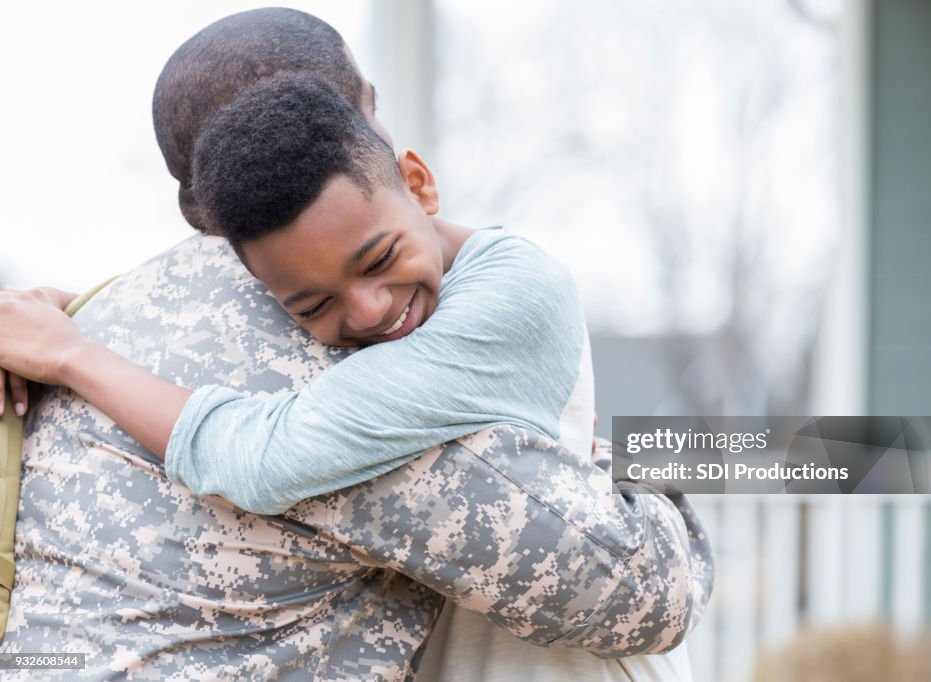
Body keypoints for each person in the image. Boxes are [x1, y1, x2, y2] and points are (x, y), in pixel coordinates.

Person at [0, 9, 712, 680]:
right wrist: (639, 471)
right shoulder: (344, 364)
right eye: (315, 302)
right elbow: (641, 595)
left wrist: (76, 340)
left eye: (375, 260)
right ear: (365, 110)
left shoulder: (103, 313)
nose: (368, 310)